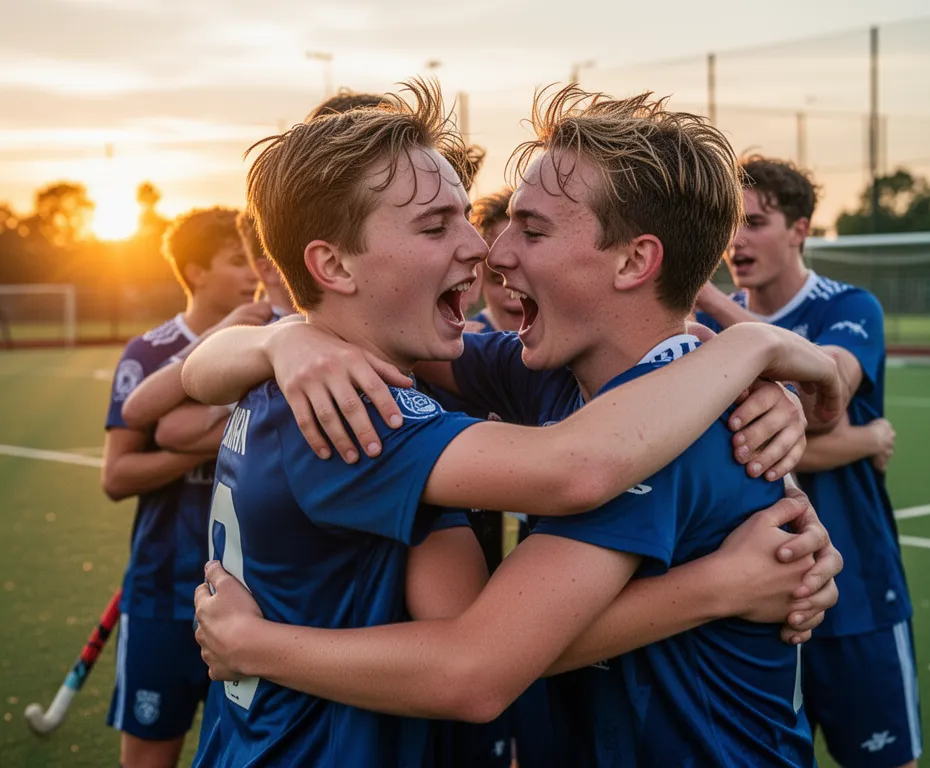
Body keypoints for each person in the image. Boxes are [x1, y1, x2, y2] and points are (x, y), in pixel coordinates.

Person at [186, 82, 843, 767]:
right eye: (440, 226)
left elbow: (479, 649)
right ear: (332, 264)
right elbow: (482, 645)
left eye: (530, 231)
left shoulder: (674, 429)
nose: (490, 253)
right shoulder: (373, 401)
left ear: (633, 260)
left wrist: (759, 356)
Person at [694, 155, 919, 768]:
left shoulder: (847, 306)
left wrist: (708, 299)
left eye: (757, 221)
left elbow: (823, 401)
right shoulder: (698, 333)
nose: (738, 239)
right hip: (758, 605)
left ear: (800, 229)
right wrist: (863, 440)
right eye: (731, 224)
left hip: (858, 593)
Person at [100, 207, 262, 768]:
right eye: (237, 261)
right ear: (194, 273)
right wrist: (213, 443)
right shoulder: (147, 352)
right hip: (162, 591)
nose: (252, 272)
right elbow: (116, 477)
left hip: (250, 598)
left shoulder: (268, 343)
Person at [467, 188, 521, 333]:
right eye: (498, 279)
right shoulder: (466, 343)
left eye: (530, 278)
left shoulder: (573, 341)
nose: (512, 292)